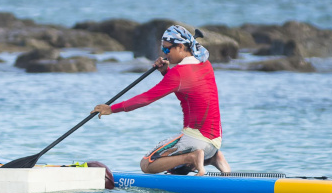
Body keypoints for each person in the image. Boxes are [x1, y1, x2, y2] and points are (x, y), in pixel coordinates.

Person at [92, 25, 230, 176]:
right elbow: (187, 93)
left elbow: (145, 99)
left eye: (166, 49)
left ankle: (193, 156)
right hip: (215, 141)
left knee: (147, 164)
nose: (164, 53)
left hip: (196, 139)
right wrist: (165, 72)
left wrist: (111, 109)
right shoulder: (205, 64)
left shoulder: (179, 74)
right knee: (175, 170)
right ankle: (213, 158)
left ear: (180, 47)